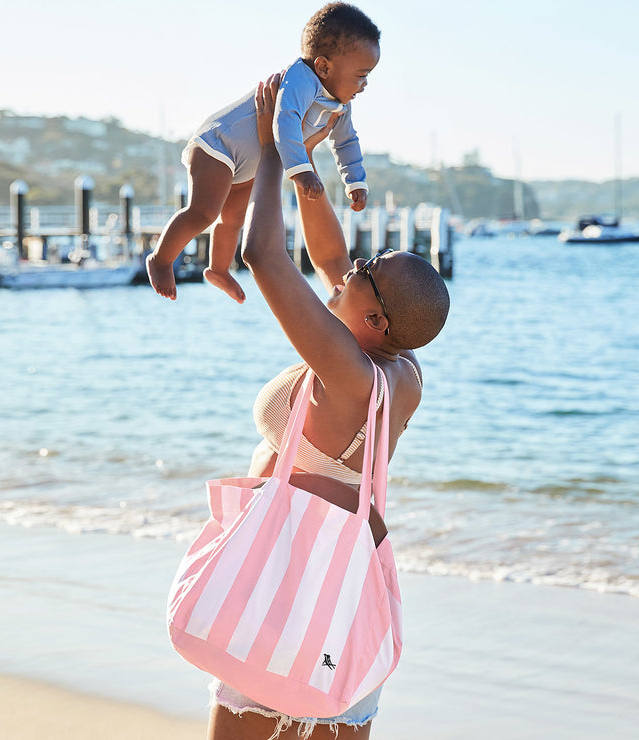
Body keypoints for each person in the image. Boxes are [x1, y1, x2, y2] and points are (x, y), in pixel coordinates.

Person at [204, 76, 450, 740]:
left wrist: (271, 152)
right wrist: (309, 174)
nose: (349, 266)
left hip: (287, 581)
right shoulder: (399, 367)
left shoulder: (345, 373)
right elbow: (331, 255)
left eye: (365, 269)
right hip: (344, 590)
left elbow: (262, 256)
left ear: (371, 315)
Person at [146, 2, 381, 304]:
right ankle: (161, 259)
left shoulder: (339, 103)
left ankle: (218, 270)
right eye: (360, 75)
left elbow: (346, 142)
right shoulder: (299, 80)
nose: (364, 85)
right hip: (218, 147)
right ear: (323, 66)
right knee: (205, 212)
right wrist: (302, 171)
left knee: (233, 218)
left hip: (248, 163)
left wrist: (356, 182)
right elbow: (284, 121)